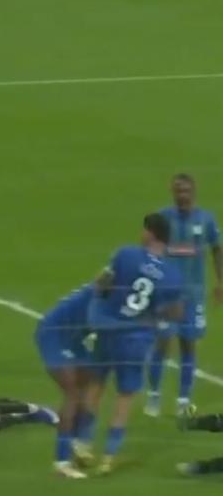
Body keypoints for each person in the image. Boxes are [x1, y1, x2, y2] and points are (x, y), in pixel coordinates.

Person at [73, 213, 184, 475]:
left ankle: (83, 443)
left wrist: (100, 300)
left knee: (97, 384)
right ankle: (109, 456)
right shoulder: (173, 275)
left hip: (108, 330)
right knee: (125, 396)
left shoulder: (126, 254)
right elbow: (176, 313)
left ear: (150, 233)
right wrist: (155, 316)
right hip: (136, 339)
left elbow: (102, 283)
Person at [146, 174, 222, 417]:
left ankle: (183, 400)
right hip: (167, 295)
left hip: (194, 295)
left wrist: (220, 281)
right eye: (179, 191)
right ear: (173, 193)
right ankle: (154, 395)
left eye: (186, 191)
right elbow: (149, 249)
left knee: (188, 345)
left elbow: (217, 249)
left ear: (194, 192)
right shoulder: (163, 218)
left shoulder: (206, 220)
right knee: (162, 342)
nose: (183, 196)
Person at [33, 285, 95, 478]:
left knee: (88, 385)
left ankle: (77, 444)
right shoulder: (107, 290)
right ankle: (62, 462)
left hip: (75, 336)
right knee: (72, 394)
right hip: (54, 333)